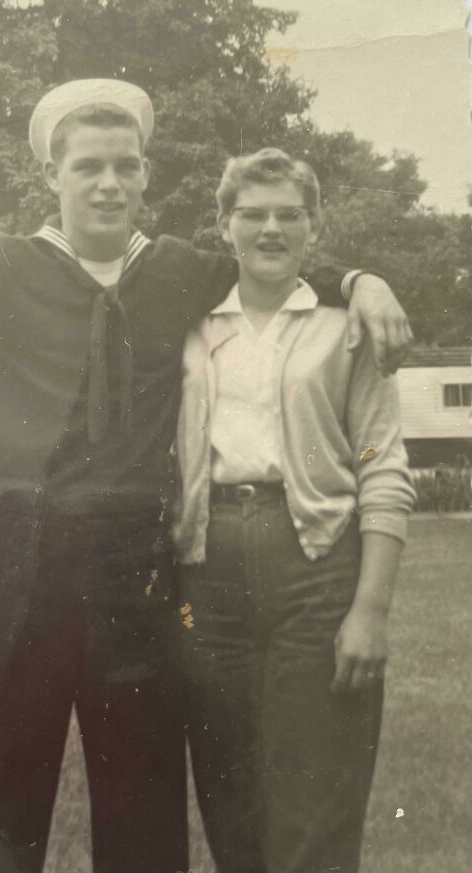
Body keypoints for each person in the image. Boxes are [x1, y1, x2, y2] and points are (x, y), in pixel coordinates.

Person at [0, 81, 412, 873]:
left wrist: (362, 281)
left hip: (137, 582)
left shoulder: (182, 269)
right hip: (20, 577)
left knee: (140, 807)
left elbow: (278, 256)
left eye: (126, 166)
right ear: (52, 174)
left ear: (145, 176)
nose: (109, 183)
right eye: (87, 167)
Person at [173, 148, 416, 873]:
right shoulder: (189, 324)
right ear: (225, 225)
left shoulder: (345, 325)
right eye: (253, 214)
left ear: (316, 227)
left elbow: (384, 469)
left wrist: (370, 610)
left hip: (316, 564)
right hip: (205, 573)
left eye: (290, 215)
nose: (271, 229)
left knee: (317, 796)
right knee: (230, 793)